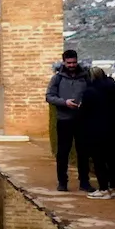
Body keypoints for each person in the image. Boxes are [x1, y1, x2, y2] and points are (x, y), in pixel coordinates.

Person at [81, 67, 115, 199]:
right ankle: (113, 188)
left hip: (97, 131)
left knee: (99, 160)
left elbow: (84, 113)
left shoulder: (90, 91)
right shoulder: (114, 89)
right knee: (113, 160)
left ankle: (103, 189)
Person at [46, 49, 92, 192]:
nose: (72, 65)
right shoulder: (57, 78)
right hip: (64, 119)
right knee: (63, 152)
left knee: (83, 152)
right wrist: (64, 102)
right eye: (69, 63)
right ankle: (62, 182)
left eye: (74, 62)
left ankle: (84, 182)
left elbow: (92, 93)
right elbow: (49, 96)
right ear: (64, 62)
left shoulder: (85, 76)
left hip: (82, 119)